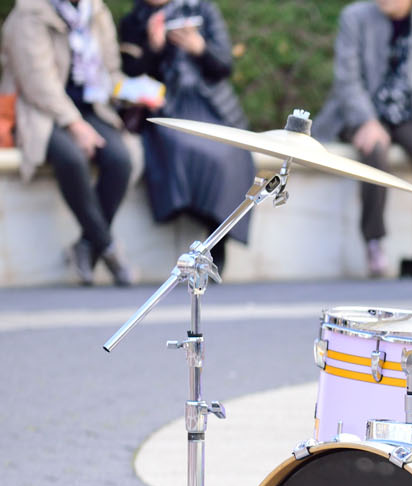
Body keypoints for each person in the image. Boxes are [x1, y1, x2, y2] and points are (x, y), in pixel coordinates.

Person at [319, 0, 412, 279]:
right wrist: (366, 121)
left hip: (410, 114)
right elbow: (347, 79)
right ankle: (374, 242)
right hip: (363, 112)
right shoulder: (354, 17)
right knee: (374, 151)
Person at [1, 0, 133, 285]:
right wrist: (75, 124)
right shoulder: (29, 13)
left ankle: (86, 245)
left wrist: (133, 91)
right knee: (71, 159)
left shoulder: (95, 11)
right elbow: (37, 83)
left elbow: (110, 69)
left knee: (121, 160)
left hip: (91, 106)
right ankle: (108, 247)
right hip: (38, 111)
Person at [118, 0, 254, 273]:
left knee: (230, 152)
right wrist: (153, 48)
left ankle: (219, 235)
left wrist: (199, 48)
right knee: (181, 146)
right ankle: (195, 213)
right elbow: (130, 75)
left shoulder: (203, 9)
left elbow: (224, 65)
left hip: (209, 106)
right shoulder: (133, 21)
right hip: (167, 109)